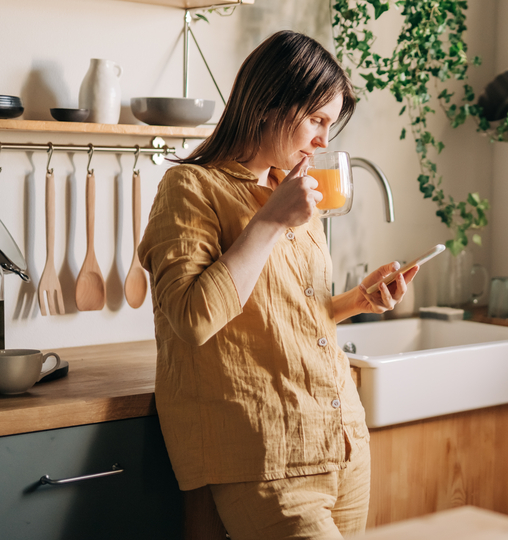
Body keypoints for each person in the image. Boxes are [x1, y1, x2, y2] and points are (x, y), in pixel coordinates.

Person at [138, 30, 416, 540]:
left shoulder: (289, 192)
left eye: (330, 125)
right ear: (268, 104)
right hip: (265, 452)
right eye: (317, 119)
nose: (323, 141)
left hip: (342, 440)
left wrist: (359, 300)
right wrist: (269, 223)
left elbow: (281, 313)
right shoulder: (190, 188)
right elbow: (194, 319)